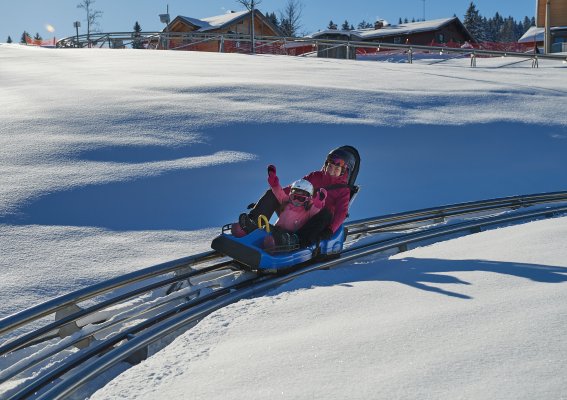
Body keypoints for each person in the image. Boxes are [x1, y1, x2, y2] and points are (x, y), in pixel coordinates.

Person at [231, 146, 358, 248]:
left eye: (337, 168)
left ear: (344, 171)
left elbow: (341, 213)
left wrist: (330, 230)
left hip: (317, 222)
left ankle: (296, 240)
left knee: (325, 213)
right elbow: (295, 189)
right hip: (299, 210)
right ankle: (251, 226)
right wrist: (269, 200)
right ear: (326, 165)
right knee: (272, 193)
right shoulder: (315, 176)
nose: (332, 170)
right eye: (330, 166)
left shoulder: (343, 190)